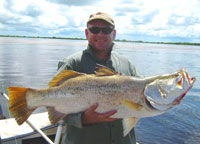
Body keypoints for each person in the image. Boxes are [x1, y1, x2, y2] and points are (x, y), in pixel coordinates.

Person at [58, 12, 141, 144]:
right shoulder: (71, 63)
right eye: (94, 29)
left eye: (106, 30)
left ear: (114, 34)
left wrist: (169, 97)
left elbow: (145, 95)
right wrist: (83, 119)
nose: (100, 34)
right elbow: (53, 107)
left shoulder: (127, 64)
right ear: (86, 33)